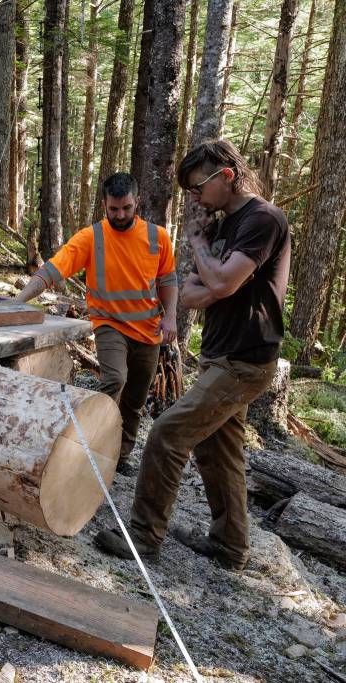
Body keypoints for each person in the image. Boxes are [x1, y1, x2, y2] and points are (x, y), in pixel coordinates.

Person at [94, 139, 290, 571]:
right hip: (221, 354)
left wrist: (203, 250)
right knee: (219, 452)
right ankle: (229, 546)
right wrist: (212, 276)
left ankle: (144, 538)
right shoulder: (227, 225)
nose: (195, 198)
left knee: (167, 433)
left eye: (198, 188)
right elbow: (189, 293)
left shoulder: (263, 219)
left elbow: (217, 285)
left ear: (227, 176)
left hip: (246, 359)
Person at [12, 172, 178, 475]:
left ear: (137, 201)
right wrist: (18, 300)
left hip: (149, 331)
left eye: (126, 208)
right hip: (109, 324)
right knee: (115, 378)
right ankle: (92, 441)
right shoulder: (92, 237)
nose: (120, 215)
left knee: (136, 400)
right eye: (113, 209)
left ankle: (122, 454)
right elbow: (52, 270)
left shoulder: (158, 237)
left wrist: (170, 317)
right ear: (104, 204)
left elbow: (168, 279)